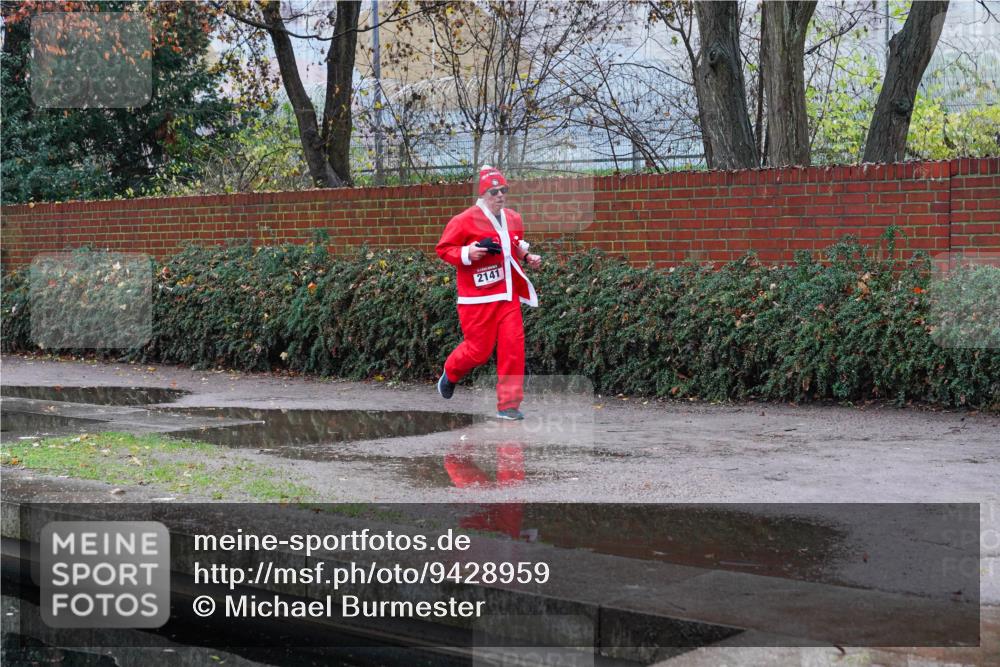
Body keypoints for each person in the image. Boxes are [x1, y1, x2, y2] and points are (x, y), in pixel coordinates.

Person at [435, 165, 542, 420]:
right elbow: (444, 249)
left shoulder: (514, 218)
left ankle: (509, 405)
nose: (500, 195)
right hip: (476, 299)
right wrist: (467, 253)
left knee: (513, 349)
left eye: (503, 190)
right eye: (494, 191)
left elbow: (513, 244)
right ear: (483, 193)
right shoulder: (463, 220)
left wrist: (527, 256)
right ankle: (450, 373)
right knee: (478, 351)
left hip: (507, 297)